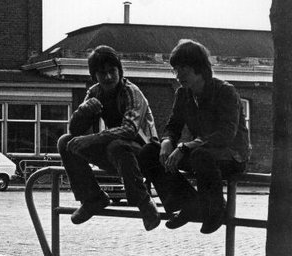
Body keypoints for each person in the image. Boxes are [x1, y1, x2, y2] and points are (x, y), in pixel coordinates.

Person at [139, 40, 250, 234]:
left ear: (199, 68)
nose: (178, 74)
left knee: (200, 155)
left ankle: (215, 210)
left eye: (184, 69)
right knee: (149, 151)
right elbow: (173, 125)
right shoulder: (183, 94)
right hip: (201, 153)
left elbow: (226, 133)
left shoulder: (225, 91)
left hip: (232, 155)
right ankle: (189, 204)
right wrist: (167, 141)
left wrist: (185, 147)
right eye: (175, 69)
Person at [57, 45, 161, 230]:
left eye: (112, 71)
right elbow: (74, 130)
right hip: (117, 154)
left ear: (119, 70)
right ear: (94, 76)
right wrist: (83, 112)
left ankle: (144, 202)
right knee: (66, 142)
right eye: (101, 73)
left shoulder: (131, 92)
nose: (108, 77)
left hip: (145, 153)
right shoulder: (95, 92)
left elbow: (130, 130)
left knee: (117, 146)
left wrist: (92, 138)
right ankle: (92, 198)